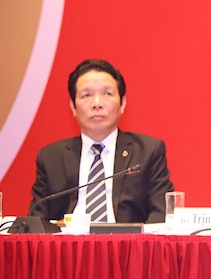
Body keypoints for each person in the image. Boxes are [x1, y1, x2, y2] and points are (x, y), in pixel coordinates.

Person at [29, 59, 174, 223]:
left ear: (122, 104)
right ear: (73, 107)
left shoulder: (148, 151)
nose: (97, 104)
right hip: (69, 238)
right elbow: (37, 220)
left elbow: (162, 212)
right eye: (86, 95)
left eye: (107, 94)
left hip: (127, 239)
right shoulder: (51, 157)